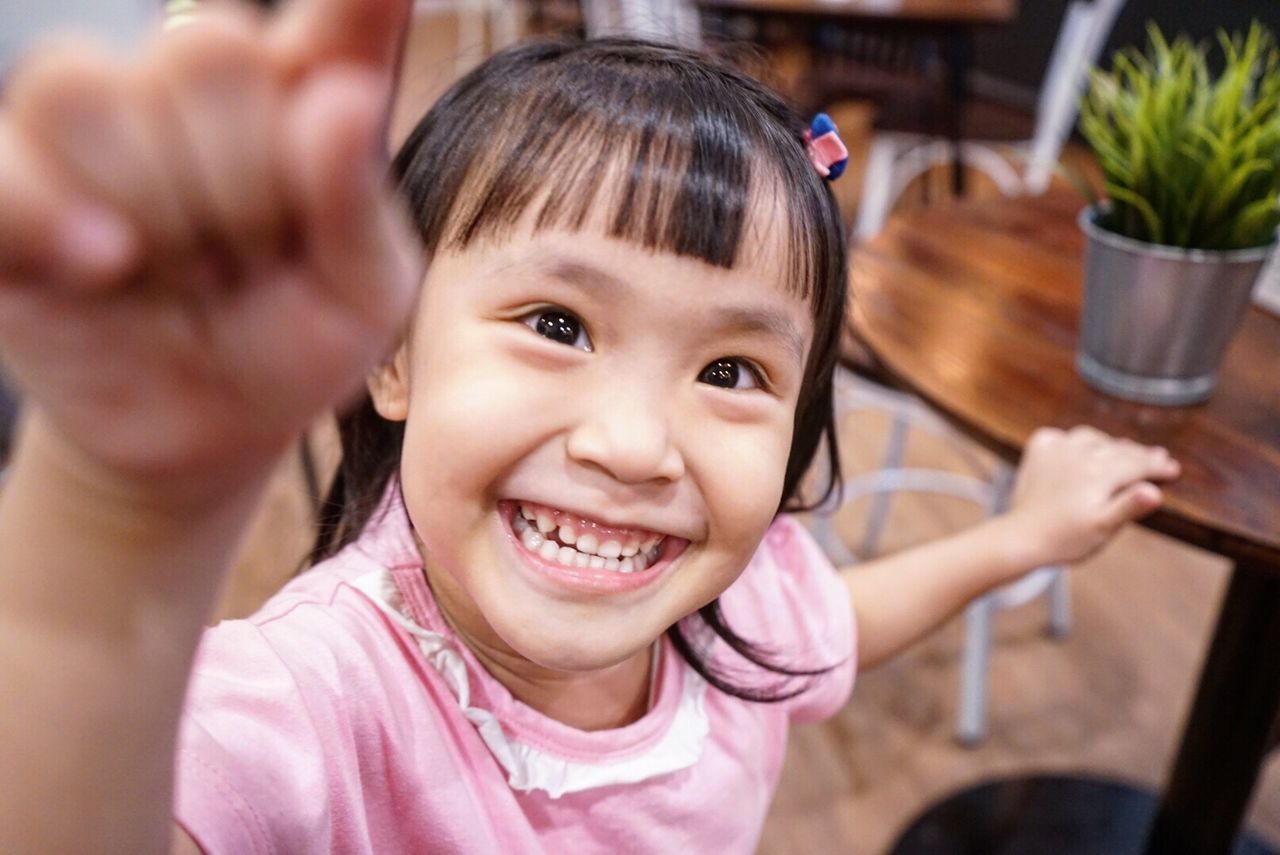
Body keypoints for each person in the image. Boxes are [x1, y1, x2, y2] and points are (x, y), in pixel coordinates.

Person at [0, 1, 1181, 852]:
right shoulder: (316, 702)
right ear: (397, 354)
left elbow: (833, 626)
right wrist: (120, 528)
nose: (631, 445)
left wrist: (1021, 536)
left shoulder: (736, 607)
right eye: (556, 324)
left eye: (730, 367)